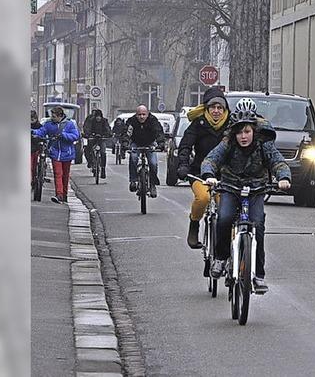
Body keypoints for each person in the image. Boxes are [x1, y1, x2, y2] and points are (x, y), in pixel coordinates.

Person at [200, 102, 291, 294]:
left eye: (247, 131)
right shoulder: (227, 144)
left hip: (256, 189)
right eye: (239, 132)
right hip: (231, 187)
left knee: (257, 225)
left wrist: (283, 177)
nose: (243, 136)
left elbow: (277, 161)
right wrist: (209, 174)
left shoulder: (264, 144)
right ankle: (221, 258)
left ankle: (258, 276)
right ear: (234, 134)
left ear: (254, 131)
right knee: (224, 219)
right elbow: (212, 158)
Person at [176, 86, 231, 249]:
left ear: (224, 109)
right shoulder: (197, 124)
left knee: (225, 208)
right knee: (204, 198)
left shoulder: (231, 125)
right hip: (199, 173)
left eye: (220, 107)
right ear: (206, 108)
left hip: (224, 175)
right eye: (212, 107)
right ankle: (194, 225)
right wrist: (183, 165)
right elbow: (185, 146)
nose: (216, 111)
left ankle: (223, 245)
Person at [31, 106, 80, 204]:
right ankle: (59, 195)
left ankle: (64, 195)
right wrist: (33, 131)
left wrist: (63, 135)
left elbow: (75, 136)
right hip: (55, 152)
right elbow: (41, 132)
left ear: (60, 116)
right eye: (52, 116)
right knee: (58, 173)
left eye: (54, 116)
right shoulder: (49, 124)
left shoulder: (69, 124)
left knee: (65, 175)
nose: (52, 118)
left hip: (67, 153)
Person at [121, 105, 165, 198]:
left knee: (153, 163)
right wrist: (125, 143)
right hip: (136, 143)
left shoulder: (153, 121)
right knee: (133, 158)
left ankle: (152, 185)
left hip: (150, 143)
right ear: (136, 115)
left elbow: (158, 132)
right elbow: (126, 133)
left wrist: (161, 143)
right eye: (139, 114)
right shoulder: (131, 121)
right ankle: (133, 180)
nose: (141, 117)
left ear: (147, 114)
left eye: (144, 114)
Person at [83, 109, 112, 179]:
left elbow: (108, 129)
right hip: (93, 139)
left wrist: (107, 134)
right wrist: (88, 135)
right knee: (88, 150)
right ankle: (91, 162)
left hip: (101, 139)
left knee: (103, 153)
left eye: (99, 116)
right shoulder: (91, 121)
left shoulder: (104, 121)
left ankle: (103, 169)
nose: (98, 118)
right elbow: (87, 129)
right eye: (97, 116)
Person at [30, 109, 43, 185]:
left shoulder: (39, 126)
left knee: (34, 166)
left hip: (36, 148)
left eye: (33, 118)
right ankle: (31, 180)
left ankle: (34, 178)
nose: (32, 120)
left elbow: (43, 134)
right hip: (30, 149)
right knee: (30, 166)